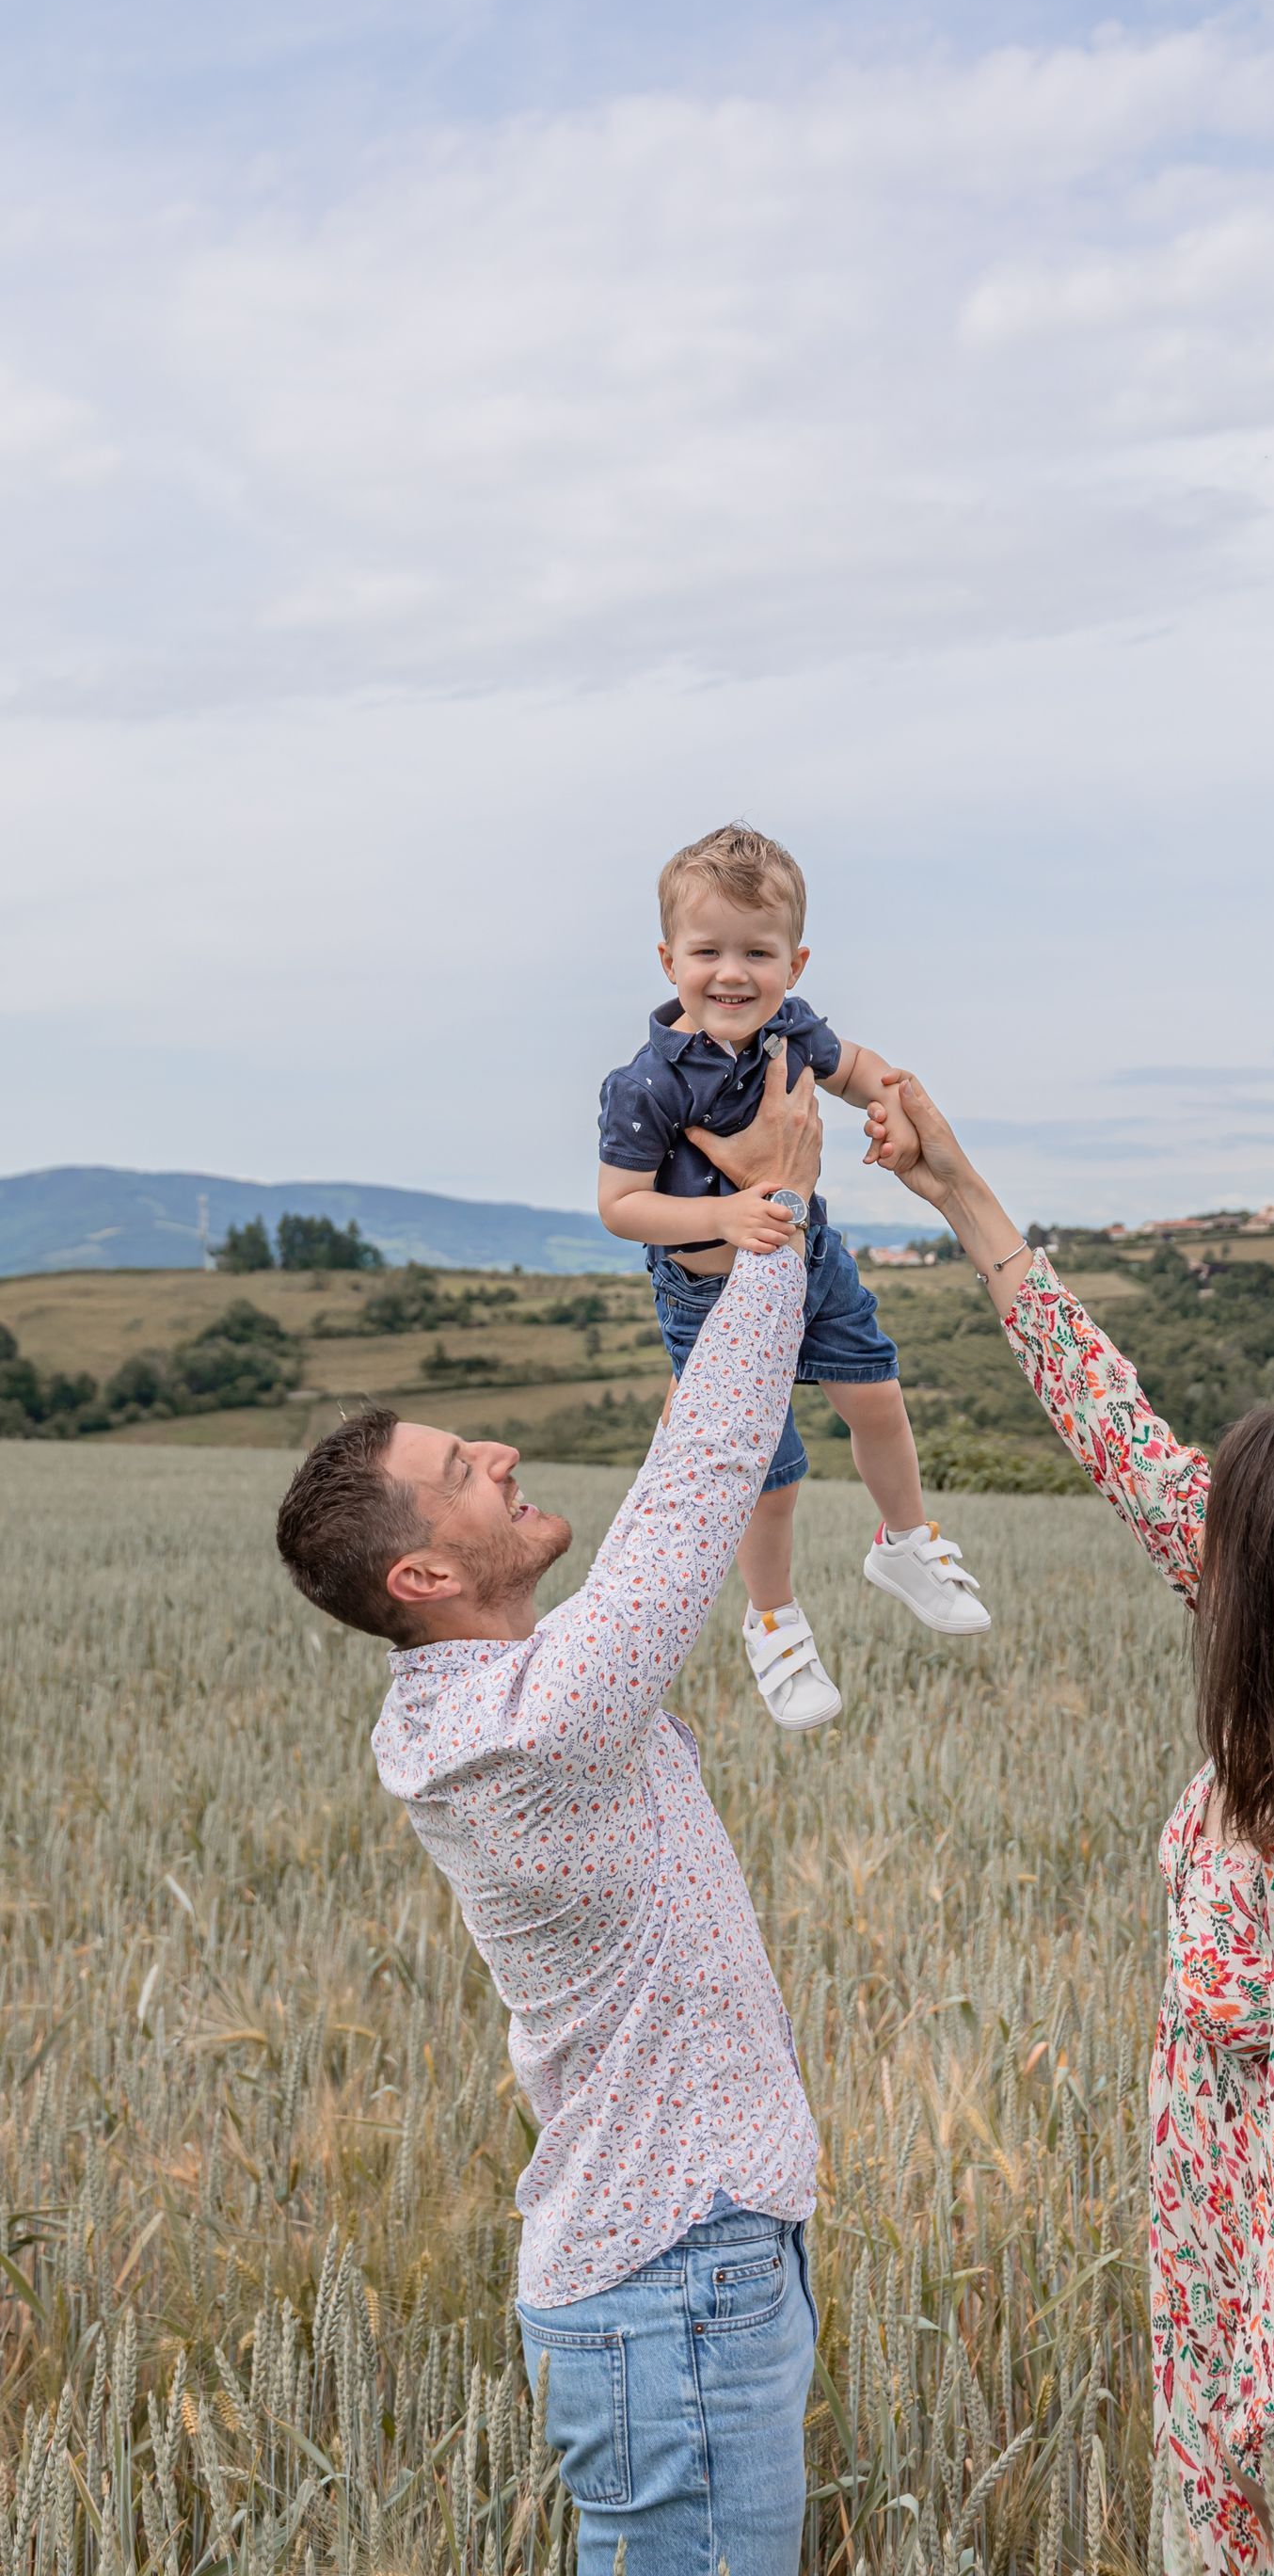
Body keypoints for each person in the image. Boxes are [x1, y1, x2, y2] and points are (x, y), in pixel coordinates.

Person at [863, 1073, 1274, 2576]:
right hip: (1241, 2261)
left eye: (1228, 1529)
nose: (1196, 1523)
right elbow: (1115, 1424)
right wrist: (962, 1192)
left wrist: (1272, 2444)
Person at [274, 1054, 829, 2576]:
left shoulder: (483, 1705)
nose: (500, 1450)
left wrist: (724, 1240)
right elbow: (699, 1479)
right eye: (461, 1470)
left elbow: (680, 1468)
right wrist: (778, 1206)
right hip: (675, 2283)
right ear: (423, 1580)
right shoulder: (533, 1727)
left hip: (691, 2261)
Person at [595, 820, 991, 1732]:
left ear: (795, 962)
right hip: (709, 1294)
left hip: (808, 1259)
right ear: (667, 961)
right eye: (708, 951)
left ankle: (905, 1542)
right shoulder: (646, 1085)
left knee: (879, 1395)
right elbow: (620, 1206)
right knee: (767, 1473)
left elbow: (852, 1068)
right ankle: (772, 1623)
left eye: (757, 952)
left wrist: (891, 1103)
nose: (732, 973)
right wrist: (722, 1217)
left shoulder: (790, 1032)